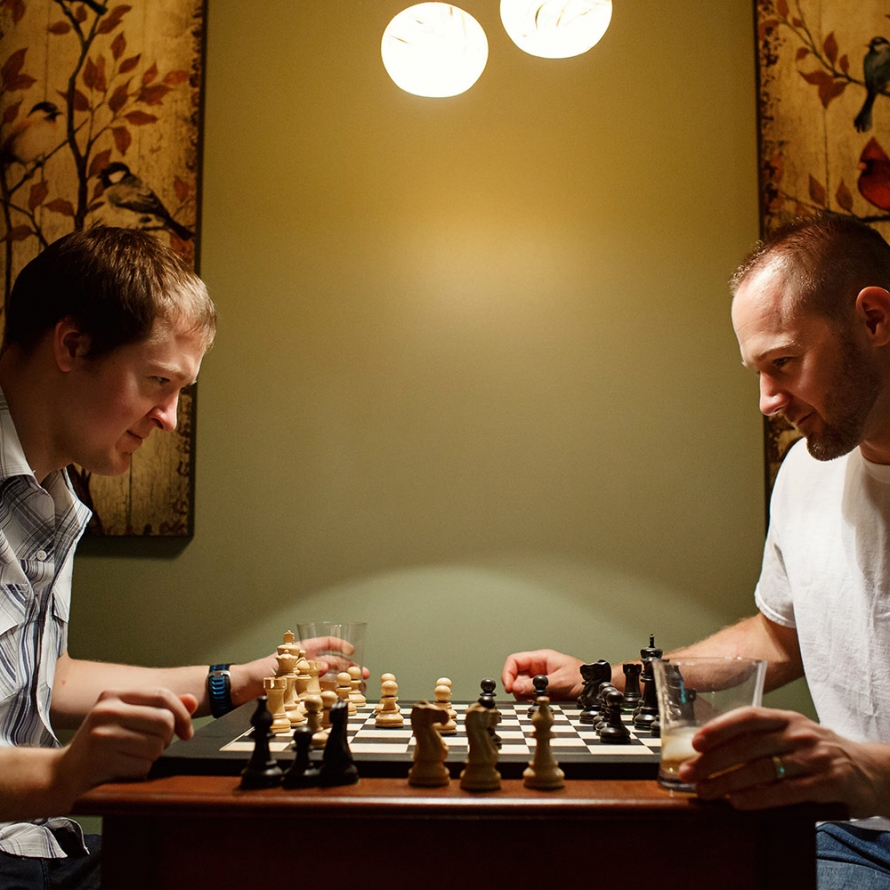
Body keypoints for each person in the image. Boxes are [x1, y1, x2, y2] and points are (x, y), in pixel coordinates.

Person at [501, 212, 890, 888]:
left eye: (783, 363)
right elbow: (780, 637)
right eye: (758, 371)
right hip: (849, 835)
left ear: (875, 320)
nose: (767, 401)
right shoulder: (806, 470)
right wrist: (613, 677)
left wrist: (868, 770)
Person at [0, 227, 359, 888]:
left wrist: (234, 681)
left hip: (41, 843)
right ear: (72, 346)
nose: (168, 417)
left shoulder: (53, 498)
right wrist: (62, 772)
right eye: (157, 382)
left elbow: (46, 677)